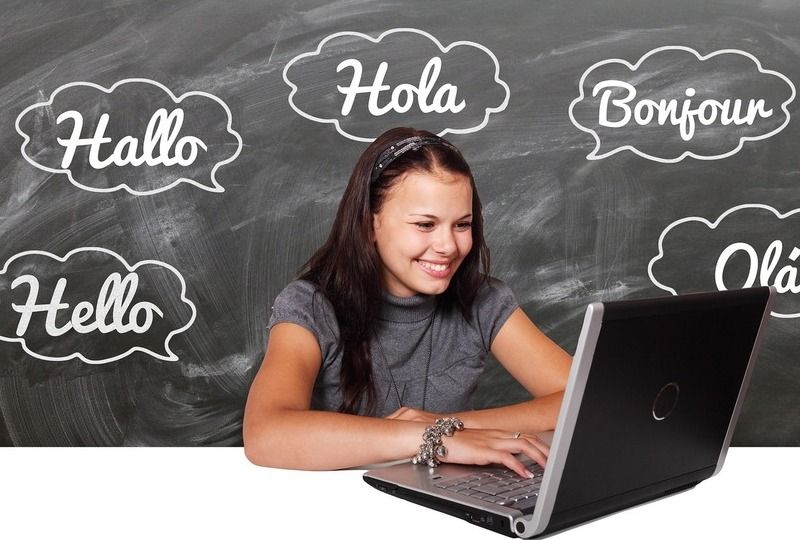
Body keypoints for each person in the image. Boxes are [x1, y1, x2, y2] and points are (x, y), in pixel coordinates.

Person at [243, 127, 571, 478]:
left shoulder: (484, 300)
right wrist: (430, 437)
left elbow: (584, 397)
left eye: (462, 224)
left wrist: (452, 426)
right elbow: (265, 432)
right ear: (370, 225)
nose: (448, 245)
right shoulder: (309, 305)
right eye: (425, 224)